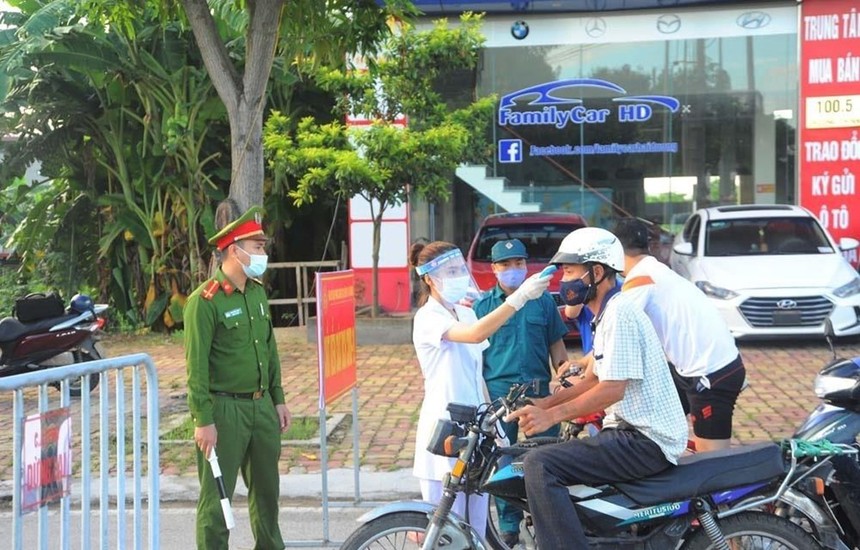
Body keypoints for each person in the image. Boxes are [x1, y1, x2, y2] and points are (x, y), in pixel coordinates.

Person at [506, 227, 688, 550]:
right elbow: (592, 379)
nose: (564, 280)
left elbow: (612, 389)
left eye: (572, 271)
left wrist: (552, 415)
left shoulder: (620, 313)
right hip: (630, 434)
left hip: (645, 439)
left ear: (597, 272)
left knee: (540, 464)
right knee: (537, 456)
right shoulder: (604, 315)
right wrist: (546, 403)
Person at [410, 240, 551, 539]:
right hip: (445, 429)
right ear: (428, 278)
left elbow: (477, 376)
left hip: (475, 429)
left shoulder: (465, 312)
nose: (458, 276)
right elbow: (475, 336)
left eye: (459, 269)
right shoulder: (428, 318)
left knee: (475, 527)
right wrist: (520, 297)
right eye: (449, 271)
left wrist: (495, 425)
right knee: (447, 529)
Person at [184, 206, 291, 550]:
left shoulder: (257, 293)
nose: (263, 253)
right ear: (235, 250)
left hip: (261, 409)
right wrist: (203, 419)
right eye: (257, 246)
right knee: (217, 502)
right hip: (224, 410)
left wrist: (278, 398)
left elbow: (269, 350)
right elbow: (195, 367)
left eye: (262, 246)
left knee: (267, 496)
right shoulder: (204, 301)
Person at [613, 217, 746, 452]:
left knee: (714, 463)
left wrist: (588, 364)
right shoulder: (654, 269)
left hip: (711, 374)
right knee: (650, 419)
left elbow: (615, 335)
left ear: (616, 251)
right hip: (690, 368)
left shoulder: (639, 280)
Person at [472, 238, 568, 547]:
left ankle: (546, 521)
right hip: (500, 392)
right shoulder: (483, 307)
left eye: (519, 264)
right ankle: (509, 528)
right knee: (502, 461)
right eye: (506, 265)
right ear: (494, 269)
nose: (514, 270)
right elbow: (477, 354)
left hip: (540, 391)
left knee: (548, 455)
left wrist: (564, 374)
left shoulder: (541, 301)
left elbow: (556, 343)